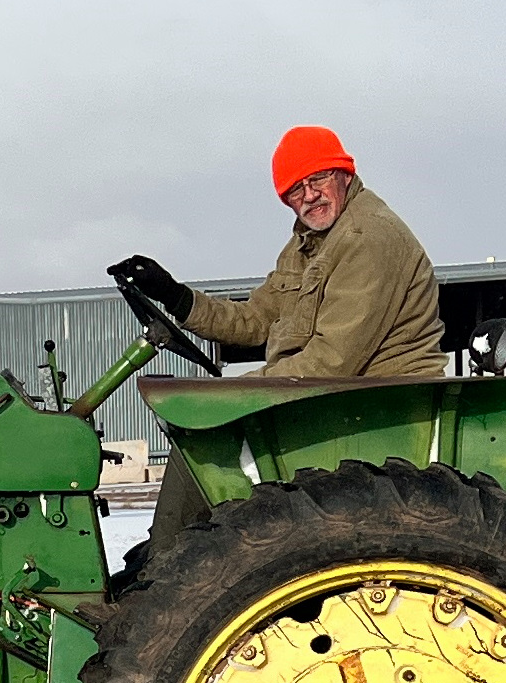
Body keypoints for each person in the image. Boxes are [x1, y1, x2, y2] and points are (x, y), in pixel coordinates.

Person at [108, 125, 448, 563]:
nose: (310, 196)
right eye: (295, 189)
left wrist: (236, 394)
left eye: (319, 179)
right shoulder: (308, 243)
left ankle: (169, 568)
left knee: (205, 436)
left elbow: (332, 359)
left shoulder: (369, 238)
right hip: (338, 397)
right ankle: (177, 560)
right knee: (202, 426)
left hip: (380, 406)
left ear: (345, 173)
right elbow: (256, 319)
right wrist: (175, 295)